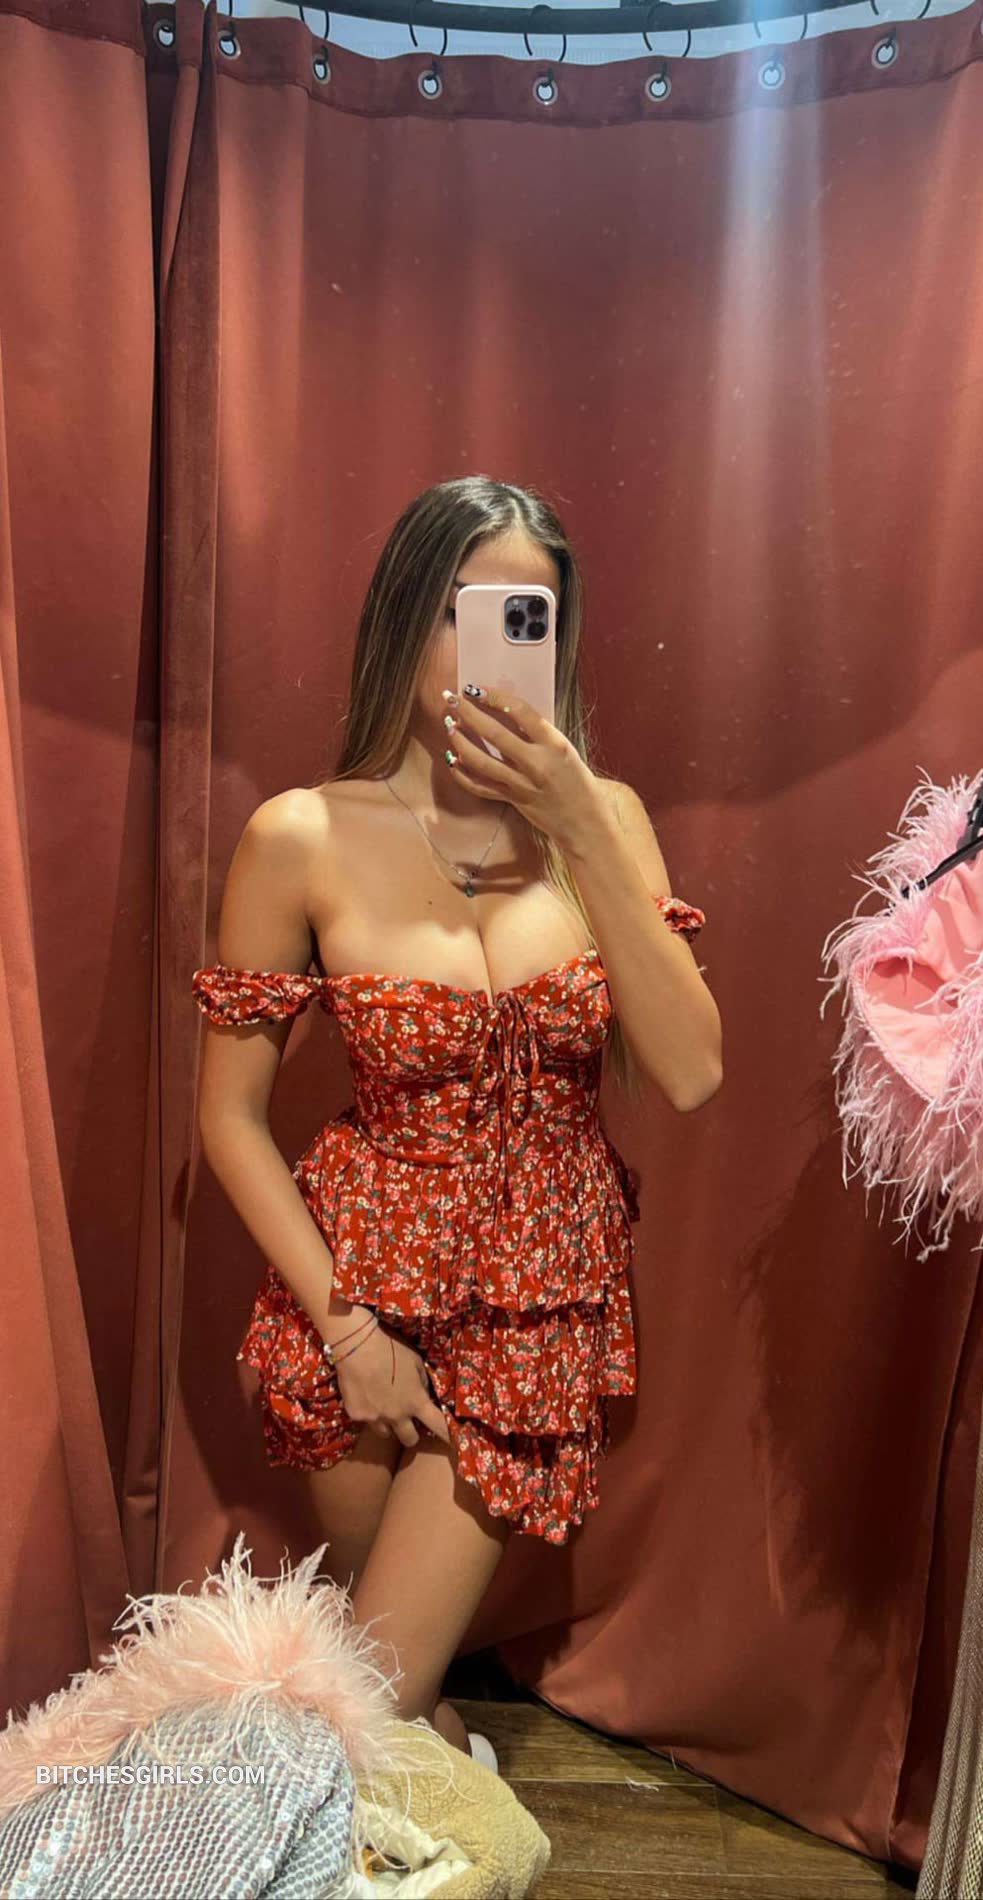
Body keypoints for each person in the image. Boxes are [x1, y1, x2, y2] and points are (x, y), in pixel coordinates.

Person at [192, 475, 723, 1764]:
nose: (492, 644)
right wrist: (348, 1333)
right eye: (464, 610)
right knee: (392, 1698)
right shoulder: (302, 835)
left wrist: (577, 824)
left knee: (364, 1704)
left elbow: (691, 1070)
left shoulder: (609, 823)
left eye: (528, 616)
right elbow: (231, 1119)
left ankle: (401, 1775)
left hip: (535, 1301)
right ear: (404, 618)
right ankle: (442, 1779)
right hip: (352, 1296)